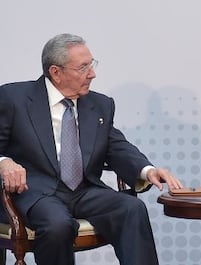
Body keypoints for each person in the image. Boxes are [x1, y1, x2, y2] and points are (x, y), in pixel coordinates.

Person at [0, 33, 183, 265]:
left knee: (132, 208)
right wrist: (4, 162)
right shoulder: (14, 98)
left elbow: (117, 147)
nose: (92, 73)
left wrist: (147, 170)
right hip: (37, 193)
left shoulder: (100, 105)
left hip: (84, 191)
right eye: (83, 67)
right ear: (56, 72)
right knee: (58, 225)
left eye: (92, 64)